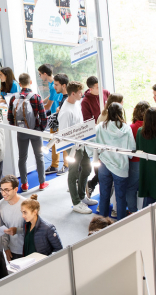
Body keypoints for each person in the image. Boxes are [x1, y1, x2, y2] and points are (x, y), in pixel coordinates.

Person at [60, 81, 98, 213]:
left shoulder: (77, 103)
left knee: (87, 168)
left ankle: (82, 196)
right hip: (72, 146)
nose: (82, 94)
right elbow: (64, 134)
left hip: (81, 142)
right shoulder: (65, 112)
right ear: (73, 93)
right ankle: (76, 202)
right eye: (80, 92)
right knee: (73, 173)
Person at [94, 102, 136, 220]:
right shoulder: (126, 128)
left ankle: (102, 222)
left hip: (104, 164)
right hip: (121, 166)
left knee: (104, 195)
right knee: (121, 197)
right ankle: (120, 224)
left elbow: (92, 144)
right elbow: (132, 150)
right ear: (121, 113)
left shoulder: (100, 127)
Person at [7, 73, 49, 191]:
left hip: (21, 132)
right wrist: (40, 129)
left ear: (19, 84)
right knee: (39, 156)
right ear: (31, 82)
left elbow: (10, 117)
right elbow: (43, 116)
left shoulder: (14, 98)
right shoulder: (36, 97)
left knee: (22, 157)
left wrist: (18, 127)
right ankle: (42, 183)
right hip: (35, 131)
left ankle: (24, 184)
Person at [87, 93, 125, 197]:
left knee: (103, 178)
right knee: (107, 178)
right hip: (108, 153)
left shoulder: (102, 114)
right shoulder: (110, 117)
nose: (123, 103)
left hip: (101, 152)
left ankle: (93, 185)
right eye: (121, 101)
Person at [126, 101, 150, 214]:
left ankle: (132, 211)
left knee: (131, 188)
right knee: (147, 187)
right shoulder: (151, 127)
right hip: (149, 161)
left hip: (135, 161)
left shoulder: (131, 127)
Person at [0, 175, 26, 261]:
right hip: (12, 250)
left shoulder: (26, 205)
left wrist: (17, 230)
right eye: (1, 190)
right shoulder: (0, 205)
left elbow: (35, 229)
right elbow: (2, 228)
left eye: (7, 190)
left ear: (16, 189)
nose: (3, 193)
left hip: (27, 249)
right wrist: (6, 248)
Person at [46, 73, 70, 175]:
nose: (54, 87)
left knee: (64, 145)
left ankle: (66, 165)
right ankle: (55, 165)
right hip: (57, 123)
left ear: (63, 85)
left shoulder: (68, 98)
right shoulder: (62, 96)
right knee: (54, 143)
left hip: (64, 127)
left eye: (56, 84)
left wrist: (59, 111)